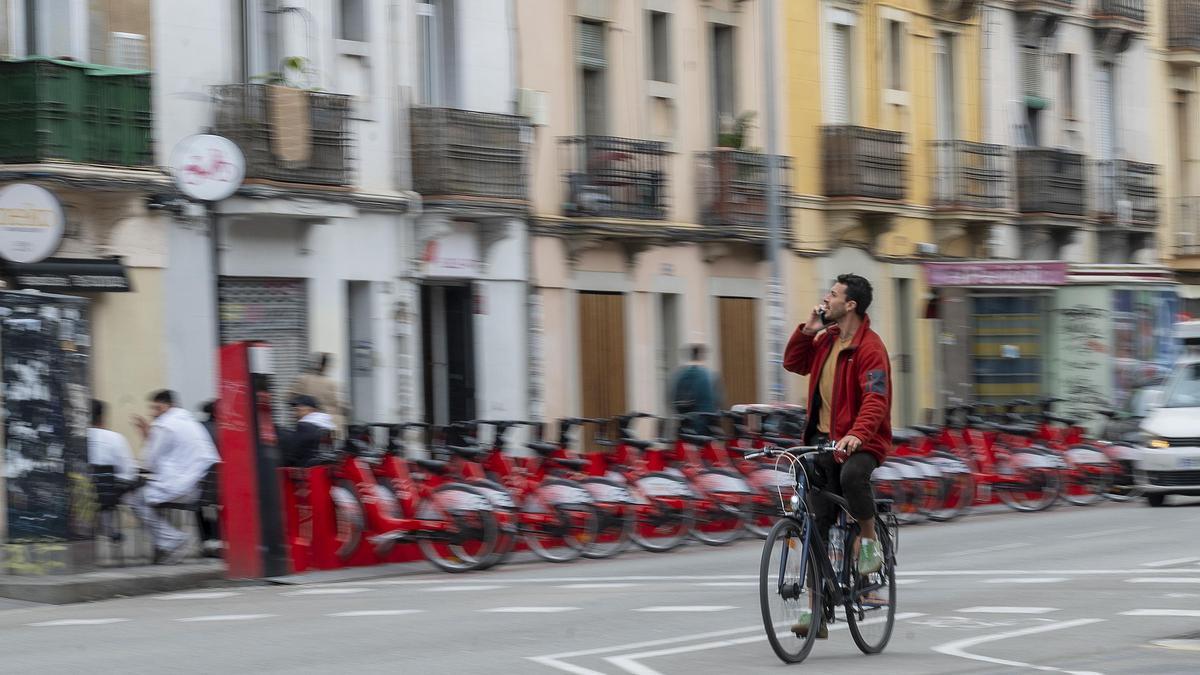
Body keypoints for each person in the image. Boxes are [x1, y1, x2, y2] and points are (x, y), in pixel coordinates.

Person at [783, 274, 892, 637]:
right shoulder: (825, 340)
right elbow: (793, 363)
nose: (825, 299)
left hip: (862, 443)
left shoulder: (871, 348)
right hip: (822, 441)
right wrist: (807, 328)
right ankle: (816, 613)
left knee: (852, 478)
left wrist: (857, 435)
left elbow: (876, 400)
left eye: (832, 295)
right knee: (815, 520)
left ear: (850, 305)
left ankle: (869, 542)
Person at [129, 390, 221, 564]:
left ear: (166, 406)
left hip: (185, 487)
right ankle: (167, 543)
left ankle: (173, 540)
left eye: (155, 408)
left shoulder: (164, 424)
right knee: (148, 496)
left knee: (135, 499)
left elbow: (148, 462)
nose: (152, 413)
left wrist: (146, 436)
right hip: (202, 486)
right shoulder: (191, 422)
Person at [288, 352, 347, 437]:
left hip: (309, 424)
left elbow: (290, 397)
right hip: (331, 425)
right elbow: (340, 404)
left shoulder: (304, 379)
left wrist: (298, 407)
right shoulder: (332, 383)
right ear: (327, 366)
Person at [279, 394, 336, 468]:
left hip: (305, 473)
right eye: (294, 408)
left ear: (311, 410)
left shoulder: (305, 426)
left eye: (300, 406)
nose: (295, 410)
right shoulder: (326, 427)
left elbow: (292, 454)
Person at [87, 399, 137, 483]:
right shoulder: (116, 438)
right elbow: (130, 474)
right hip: (109, 493)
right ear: (102, 418)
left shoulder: (74, 439)